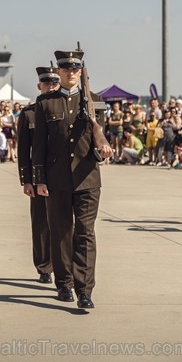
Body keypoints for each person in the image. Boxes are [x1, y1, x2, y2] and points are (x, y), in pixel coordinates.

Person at [32, 48, 112, 309]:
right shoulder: (45, 103)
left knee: (85, 234)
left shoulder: (94, 100)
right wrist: (39, 179)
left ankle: (85, 289)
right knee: (61, 233)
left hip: (88, 177)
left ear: (81, 71)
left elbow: (99, 135)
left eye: (75, 68)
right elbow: (39, 145)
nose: (71, 72)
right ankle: (64, 283)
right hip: (56, 180)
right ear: (59, 71)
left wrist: (102, 149)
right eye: (66, 68)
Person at [17, 66, 60, 285]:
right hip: (38, 174)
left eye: (54, 83)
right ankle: (44, 266)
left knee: (63, 224)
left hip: (62, 175)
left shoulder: (68, 108)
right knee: (41, 224)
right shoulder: (29, 113)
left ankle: (63, 266)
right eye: (47, 83)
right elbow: (24, 150)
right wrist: (26, 180)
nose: (50, 86)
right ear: (39, 86)